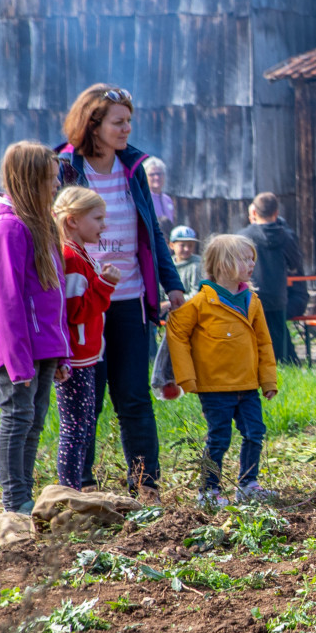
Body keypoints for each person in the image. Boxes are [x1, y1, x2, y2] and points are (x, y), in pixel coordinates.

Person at [55, 86, 185, 492]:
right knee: (85, 402)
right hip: (82, 301)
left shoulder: (134, 169)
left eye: (128, 120)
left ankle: (145, 485)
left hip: (128, 297)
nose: (127, 128)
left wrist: (172, 284)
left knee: (134, 398)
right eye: (118, 121)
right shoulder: (64, 168)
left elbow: (153, 233)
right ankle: (82, 488)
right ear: (93, 124)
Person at [0, 143, 67, 515]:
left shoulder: (39, 223)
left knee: (33, 423)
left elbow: (53, 294)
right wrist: (19, 364)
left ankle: (24, 495)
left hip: (44, 346)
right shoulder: (7, 229)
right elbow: (7, 302)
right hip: (21, 350)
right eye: (50, 179)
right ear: (30, 180)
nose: (56, 186)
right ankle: (13, 502)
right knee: (17, 420)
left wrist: (60, 350)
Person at [164, 235, 277, 505]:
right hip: (215, 388)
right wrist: (186, 377)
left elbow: (264, 341)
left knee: (255, 433)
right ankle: (209, 491)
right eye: (245, 259)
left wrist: (268, 379)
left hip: (248, 385)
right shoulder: (201, 303)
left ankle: (248, 484)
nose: (251, 264)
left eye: (252, 259)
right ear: (224, 264)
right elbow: (176, 330)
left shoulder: (252, 301)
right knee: (219, 439)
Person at [54, 187, 121, 489]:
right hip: (77, 358)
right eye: (97, 218)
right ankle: (70, 490)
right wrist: (105, 284)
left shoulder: (80, 254)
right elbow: (75, 311)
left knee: (83, 425)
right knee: (75, 428)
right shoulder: (71, 259)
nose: (103, 225)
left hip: (87, 354)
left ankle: (74, 488)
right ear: (72, 221)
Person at [239, 193, 303, 367]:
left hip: (250, 296)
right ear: (276, 212)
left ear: (254, 211)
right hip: (278, 297)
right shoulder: (286, 236)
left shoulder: (243, 236)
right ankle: (287, 368)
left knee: (253, 337)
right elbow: (295, 264)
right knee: (279, 339)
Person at [142, 156, 176, 238]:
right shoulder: (143, 198)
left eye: (159, 174)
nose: (156, 177)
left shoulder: (167, 199)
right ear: (145, 176)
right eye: (152, 174)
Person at [169, 226, 204, 296]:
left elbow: (196, 294)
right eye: (182, 245)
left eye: (190, 245)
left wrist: (171, 303)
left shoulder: (196, 265)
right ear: (172, 245)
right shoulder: (168, 264)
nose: (186, 249)